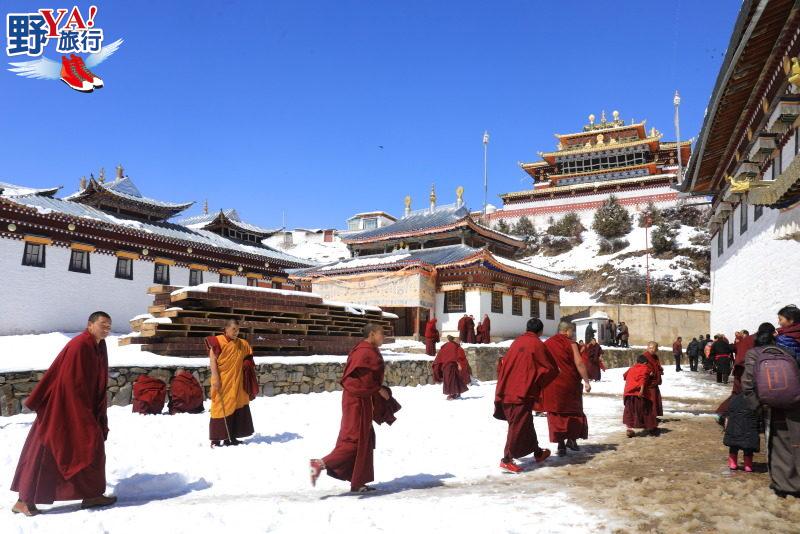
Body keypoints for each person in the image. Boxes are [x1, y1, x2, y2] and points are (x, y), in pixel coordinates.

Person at [11, 312, 117, 516]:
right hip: (62, 409)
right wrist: (80, 415)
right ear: (90, 325)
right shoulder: (79, 345)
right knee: (47, 451)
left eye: (109, 326)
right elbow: (68, 383)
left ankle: (92, 494)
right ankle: (23, 500)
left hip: (84, 407)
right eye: (103, 324)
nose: (106, 329)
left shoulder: (99, 346)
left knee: (92, 450)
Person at [310, 324, 392, 493]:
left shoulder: (367, 349)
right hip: (357, 401)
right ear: (372, 334)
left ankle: (358, 482)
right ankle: (319, 464)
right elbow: (357, 380)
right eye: (381, 334)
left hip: (361, 398)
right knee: (355, 440)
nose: (384, 337)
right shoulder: (364, 352)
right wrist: (379, 389)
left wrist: (377, 389)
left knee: (365, 439)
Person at [741, 323, 800, 497]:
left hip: (770, 406)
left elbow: (747, 384)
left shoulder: (754, 354)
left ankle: (784, 485)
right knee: (794, 443)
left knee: (776, 444)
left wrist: (756, 406)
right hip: (793, 403)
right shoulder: (786, 352)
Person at [493, 318, 559, 473]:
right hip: (521, 392)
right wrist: (538, 383)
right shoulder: (536, 344)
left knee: (525, 422)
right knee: (518, 425)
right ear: (540, 331)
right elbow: (551, 368)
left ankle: (537, 452)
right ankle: (507, 459)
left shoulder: (516, 342)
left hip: (507, 389)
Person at [539, 321, 591, 456]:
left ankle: (561, 444)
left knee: (557, 413)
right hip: (569, 383)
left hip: (552, 384)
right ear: (567, 331)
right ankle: (571, 440)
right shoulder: (571, 343)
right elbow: (579, 363)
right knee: (573, 412)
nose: (572, 334)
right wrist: (586, 381)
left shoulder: (548, 343)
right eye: (572, 331)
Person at [206, 319, 255, 447]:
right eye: (233, 329)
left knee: (236, 405)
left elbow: (249, 356)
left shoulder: (241, 344)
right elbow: (213, 361)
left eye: (238, 330)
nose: (236, 332)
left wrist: (247, 363)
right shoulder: (217, 342)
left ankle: (231, 437)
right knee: (219, 407)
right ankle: (216, 439)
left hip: (238, 381)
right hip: (223, 380)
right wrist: (215, 378)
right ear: (226, 329)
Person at [623, 355, 657, 437]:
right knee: (646, 409)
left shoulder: (631, 368)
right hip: (639, 394)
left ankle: (629, 429)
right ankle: (651, 427)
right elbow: (643, 379)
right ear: (645, 363)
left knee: (630, 411)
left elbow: (624, 376)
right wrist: (641, 391)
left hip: (628, 393)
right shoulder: (645, 368)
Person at [432, 336, 470, 400]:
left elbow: (440, 355)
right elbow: (457, 356)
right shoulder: (455, 346)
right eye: (458, 340)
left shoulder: (445, 345)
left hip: (445, 366)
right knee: (452, 380)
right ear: (454, 340)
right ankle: (452, 394)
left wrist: (438, 364)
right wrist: (459, 364)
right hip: (451, 365)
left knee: (452, 380)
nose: (459, 342)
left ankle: (455, 393)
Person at [641, 342, 663, 422]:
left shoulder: (655, 356)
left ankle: (653, 415)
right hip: (648, 382)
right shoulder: (644, 356)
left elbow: (657, 365)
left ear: (656, 349)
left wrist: (660, 369)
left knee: (656, 399)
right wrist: (649, 372)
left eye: (653, 348)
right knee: (650, 399)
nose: (652, 350)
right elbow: (642, 366)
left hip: (654, 382)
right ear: (647, 348)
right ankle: (648, 417)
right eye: (650, 348)